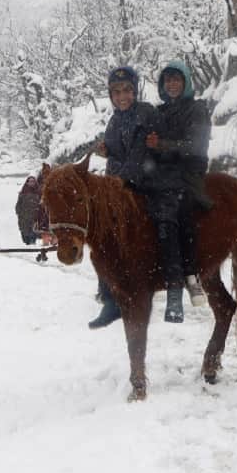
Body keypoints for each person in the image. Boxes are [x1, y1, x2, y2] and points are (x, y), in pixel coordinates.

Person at [88, 65, 156, 328]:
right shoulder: (114, 121)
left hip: (146, 183)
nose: (122, 96)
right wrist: (107, 152)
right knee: (99, 229)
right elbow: (116, 158)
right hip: (120, 185)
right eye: (116, 92)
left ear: (135, 91)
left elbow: (140, 156)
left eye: (126, 90)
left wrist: (117, 184)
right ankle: (109, 297)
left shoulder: (145, 113)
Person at [143, 60, 211, 323]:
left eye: (176, 79)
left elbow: (196, 146)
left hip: (188, 174)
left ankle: (181, 283)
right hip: (162, 175)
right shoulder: (159, 112)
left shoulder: (197, 109)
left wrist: (161, 145)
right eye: (167, 80)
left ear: (185, 82)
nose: (171, 84)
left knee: (169, 215)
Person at [15, 176, 42, 245]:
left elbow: (42, 204)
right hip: (24, 217)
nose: (31, 183)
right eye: (30, 181)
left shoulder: (39, 192)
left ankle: (32, 244)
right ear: (27, 183)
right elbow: (18, 204)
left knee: (33, 234)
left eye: (33, 181)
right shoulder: (23, 193)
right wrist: (19, 213)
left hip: (35, 217)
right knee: (25, 235)